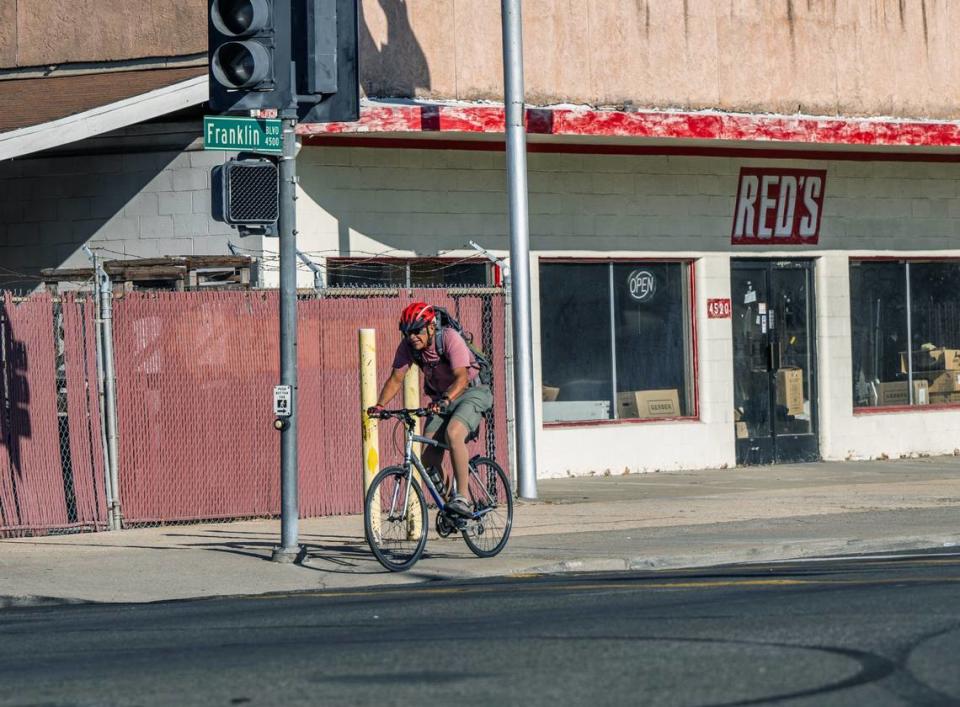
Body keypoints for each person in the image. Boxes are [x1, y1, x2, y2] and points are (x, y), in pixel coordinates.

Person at [367, 302, 493, 516]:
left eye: (416, 331)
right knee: (427, 458)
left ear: (431, 327)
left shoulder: (449, 338)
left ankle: (462, 498)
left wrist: (445, 400)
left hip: (472, 392)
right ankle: (451, 507)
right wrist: (380, 406)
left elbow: (462, 378)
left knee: (454, 434)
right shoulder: (408, 347)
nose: (411, 337)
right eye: (407, 333)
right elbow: (396, 378)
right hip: (441, 399)